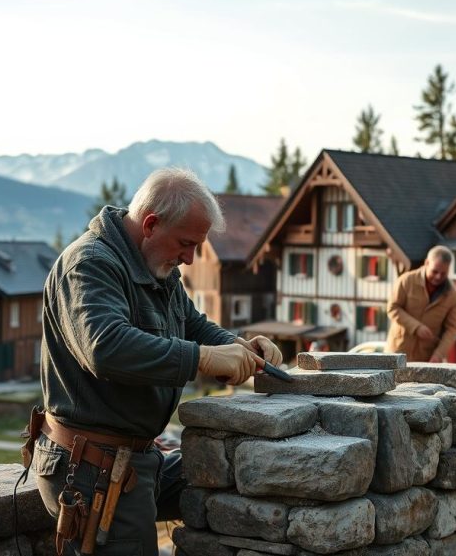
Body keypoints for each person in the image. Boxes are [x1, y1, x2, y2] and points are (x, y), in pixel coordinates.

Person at [27, 168, 281, 556]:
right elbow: (106, 348)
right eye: (185, 243)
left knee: (230, 478)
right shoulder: (89, 264)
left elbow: (193, 325)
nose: (191, 259)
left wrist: (240, 347)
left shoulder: (158, 267)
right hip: (92, 471)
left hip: (135, 459)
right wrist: (204, 358)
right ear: (150, 224)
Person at [386, 245, 456, 363]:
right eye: (435, 271)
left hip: (426, 358)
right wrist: (416, 327)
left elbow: (451, 329)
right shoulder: (406, 281)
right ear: (426, 263)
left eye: (443, 273)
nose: (438, 277)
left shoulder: (453, 295)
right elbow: (392, 308)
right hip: (397, 351)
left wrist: (439, 355)